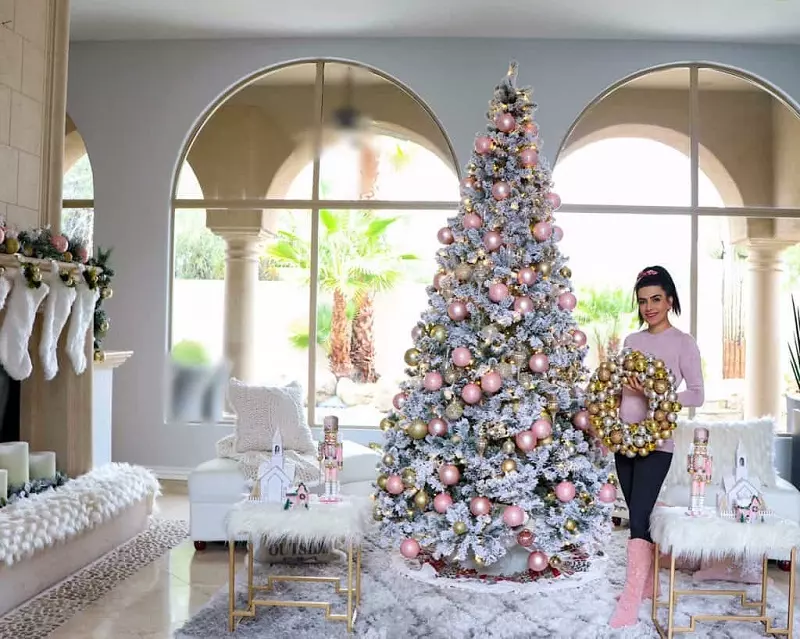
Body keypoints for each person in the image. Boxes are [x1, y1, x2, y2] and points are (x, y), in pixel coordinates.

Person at [609, 265, 704, 628]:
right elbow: (619, 389)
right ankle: (649, 586)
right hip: (623, 439)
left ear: (670, 300)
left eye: (656, 300)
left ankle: (630, 598)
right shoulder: (632, 342)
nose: (649, 307)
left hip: (657, 442)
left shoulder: (683, 342)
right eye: (643, 301)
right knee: (639, 510)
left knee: (638, 515)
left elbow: (697, 392)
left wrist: (659, 396)